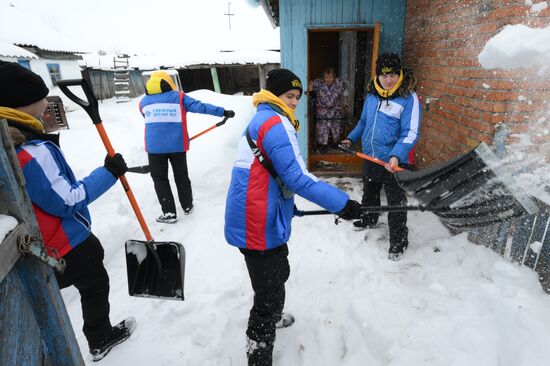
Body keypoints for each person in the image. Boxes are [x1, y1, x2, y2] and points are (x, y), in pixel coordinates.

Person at [224, 68, 362, 366]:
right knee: (269, 289)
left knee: (278, 271)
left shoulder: (266, 118)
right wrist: (342, 204)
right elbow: (297, 178)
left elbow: (268, 177)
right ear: (275, 94)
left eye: (297, 97)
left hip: (259, 212)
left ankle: (272, 315)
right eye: (289, 96)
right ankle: (258, 350)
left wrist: (287, 208)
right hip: (256, 219)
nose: (294, 102)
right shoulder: (275, 122)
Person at [0, 60, 135, 361]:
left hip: (39, 244)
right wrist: (109, 173)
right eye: (41, 98)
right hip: (64, 243)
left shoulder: (12, 145)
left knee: (62, 284)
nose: (47, 102)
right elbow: (68, 200)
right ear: (21, 105)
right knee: (95, 283)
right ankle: (100, 338)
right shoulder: (33, 152)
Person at [341, 52, 421, 260]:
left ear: (399, 74)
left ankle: (399, 240)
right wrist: (350, 139)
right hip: (370, 156)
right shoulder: (372, 95)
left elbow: (410, 133)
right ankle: (369, 217)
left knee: (395, 202)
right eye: (384, 75)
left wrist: (396, 155)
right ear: (377, 75)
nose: (388, 79)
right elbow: (364, 123)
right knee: (370, 189)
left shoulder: (408, 97)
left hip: (394, 161)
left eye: (393, 74)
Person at [138, 71, 235, 223]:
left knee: (159, 179)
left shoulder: (143, 102)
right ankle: (187, 205)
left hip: (154, 148)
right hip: (177, 146)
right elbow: (200, 107)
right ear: (169, 83)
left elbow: (147, 117)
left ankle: (169, 213)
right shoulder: (179, 97)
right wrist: (222, 112)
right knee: (181, 176)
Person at [308, 67, 348, 153]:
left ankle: (336, 144)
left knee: (336, 127)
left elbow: (345, 91)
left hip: (335, 110)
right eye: (326, 77)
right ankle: (322, 146)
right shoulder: (318, 83)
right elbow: (309, 84)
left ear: (334, 77)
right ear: (323, 77)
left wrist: (345, 101)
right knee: (322, 128)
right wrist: (310, 87)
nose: (328, 79)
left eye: (330, 77)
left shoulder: (339, 83)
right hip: (322, 110)